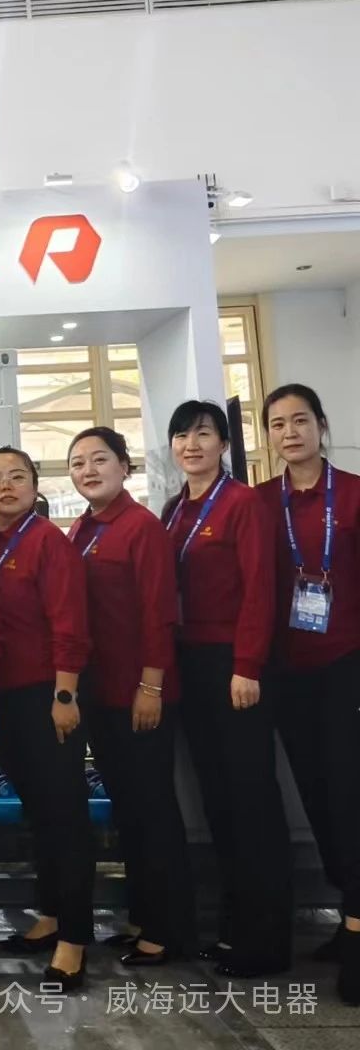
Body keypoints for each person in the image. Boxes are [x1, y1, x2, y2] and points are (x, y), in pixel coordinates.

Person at [164, 399, 290, 978]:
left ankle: (268, 940)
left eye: (203, 434)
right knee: (217, 799)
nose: (192, 445)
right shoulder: (175, 510)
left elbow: (260, 589)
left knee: (251, 799)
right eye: (182, 436)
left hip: (235, 666)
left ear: (223, 444)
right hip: (190, 665)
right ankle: (237, 928)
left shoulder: (241, 503)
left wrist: (248, 665)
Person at [67, 428, 195, 966]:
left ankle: (170, 929)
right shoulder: (81, 528)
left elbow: (159, 614)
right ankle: (144, 916)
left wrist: (151, 686)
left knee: (153, 808)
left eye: (100, 459)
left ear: (125, 466)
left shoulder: (141, 528)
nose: (89, 470)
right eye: (78, 463)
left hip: (140, 694)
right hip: (101, 694)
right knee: (130, 809)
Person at [257, 385, 360, 1003]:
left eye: (300, 420)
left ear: (321, 425)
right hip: (286, 670)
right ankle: (349, 914)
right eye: (277, 424)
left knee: (350, 795)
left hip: (346, 664)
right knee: (316, 795)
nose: (290, 432)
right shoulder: (260, 503)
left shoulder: (353, 495)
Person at [0, 445, 93, 991]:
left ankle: (75, 938)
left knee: (64, 814)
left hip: (48, 697)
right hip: (5, 699)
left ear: (34, 485)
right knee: (39, 815)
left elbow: (70, 623)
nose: (7, 486)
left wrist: (65, 694)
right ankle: (49, 915)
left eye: (17, 476)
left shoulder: (49, 542)